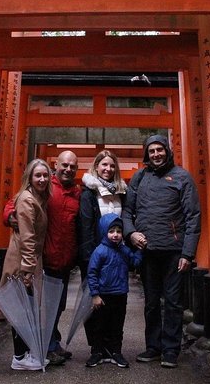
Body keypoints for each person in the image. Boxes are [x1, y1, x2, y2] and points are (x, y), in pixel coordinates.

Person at [121, 134, 201, 368]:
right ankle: (153, 347)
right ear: (147, 154)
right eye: (152, 151)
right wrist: (131, 234)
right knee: (152, 302)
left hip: (174, 251)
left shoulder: (182, 177)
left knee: (174, 302)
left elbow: (193, 216)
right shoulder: (139, 178)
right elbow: (127, 212)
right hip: (148, 250)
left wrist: (188, 253)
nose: (156, 154)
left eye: (160, 150)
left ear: (167, 151)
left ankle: (170, 350)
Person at [3, 151, 81, 365]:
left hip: (64, 260)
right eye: (64, 165)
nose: (68, 169)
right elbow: (15, 204)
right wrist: (10, 216)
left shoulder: (76, 193)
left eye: (72, 166)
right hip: (43, 259)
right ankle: (39, 350)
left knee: (56, 306)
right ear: (57, 164)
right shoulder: (43, 189)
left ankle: (51, 344)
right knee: (39, 307)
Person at [0, 158, 52, 371]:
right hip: (22, 260)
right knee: (20, 309)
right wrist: (28, 269)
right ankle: (19, 356)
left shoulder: (38, 198)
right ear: (29, 177)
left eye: (45, 175)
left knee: (27, 308)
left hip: (28, 259)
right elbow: (28, 236)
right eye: (38, 175)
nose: (42, 179)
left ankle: (26, 354)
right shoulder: (27, 199)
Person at [78, 150, 127, 358]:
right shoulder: (89, 193)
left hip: (116, 256)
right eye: (104, 165)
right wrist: (89, 259)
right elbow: (86, 226)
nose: (108, 169)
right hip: (95, 255)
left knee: (115, 303)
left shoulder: (121, 192)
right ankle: (96, 347)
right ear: (96, 167)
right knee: (94, 302)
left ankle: (112, 346)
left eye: (112, 165)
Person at [85, 213, 142, 368]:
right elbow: (92, 273)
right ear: (104, 232)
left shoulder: (124, 250)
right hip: (103, 295)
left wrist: (139, 250)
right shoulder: (100, 251)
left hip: (120, 294)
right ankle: (97, 352)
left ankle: (116, 352)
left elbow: (134, 262)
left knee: (117, 325)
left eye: (118, 231)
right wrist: (95, 294)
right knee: (99, 325)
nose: (115, 235)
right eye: (111, 231)